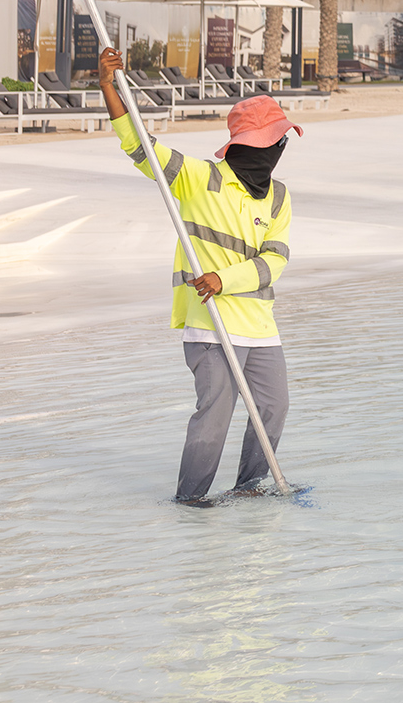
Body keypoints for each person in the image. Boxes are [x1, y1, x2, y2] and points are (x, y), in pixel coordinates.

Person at [95, 47, 297, 506]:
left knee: (273, 408)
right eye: (272, 140)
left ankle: (250, 488)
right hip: (210, 325)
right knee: (216, 413)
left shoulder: (280, 197)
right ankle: (190, 501)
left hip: (260, 326)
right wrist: (108, 84)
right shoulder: (197, 177)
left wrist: (225, 280)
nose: (278, 148)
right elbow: (138, 145)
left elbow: (277, 260)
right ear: (249, 145)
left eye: (280, 141)